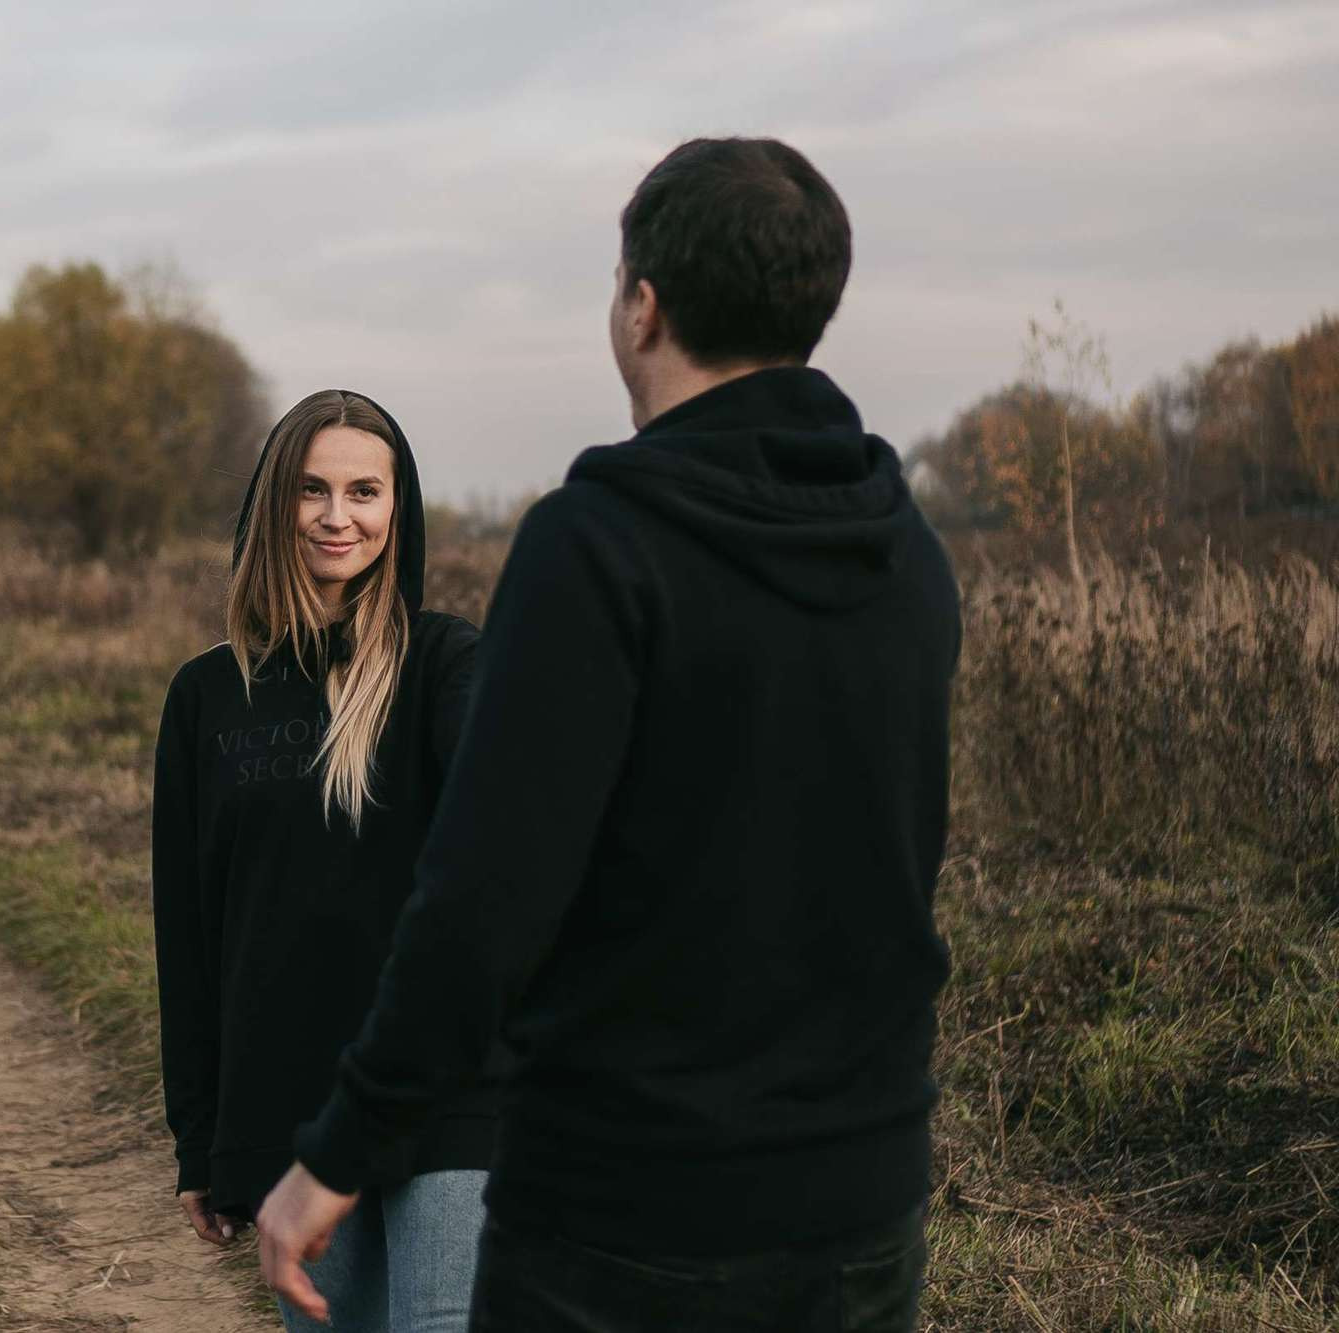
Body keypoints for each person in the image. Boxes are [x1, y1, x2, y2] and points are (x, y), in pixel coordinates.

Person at [258, 138, 962, 1332]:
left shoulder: (595, 548)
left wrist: (340, 1149)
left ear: (641, 307)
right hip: (862, 1205)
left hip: (627, 1216)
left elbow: (483, 900)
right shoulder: (904, 554)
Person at [152, 389, 497, 1331]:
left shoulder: (445, 663)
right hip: (288, 1104)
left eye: (364, 491)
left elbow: (509, 817)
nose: (338, 516)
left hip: (444, 1093)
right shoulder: (208, 697)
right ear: (274, 502)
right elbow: (189, 936)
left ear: (399, 507)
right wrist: (200, 1139)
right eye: (312, 489)